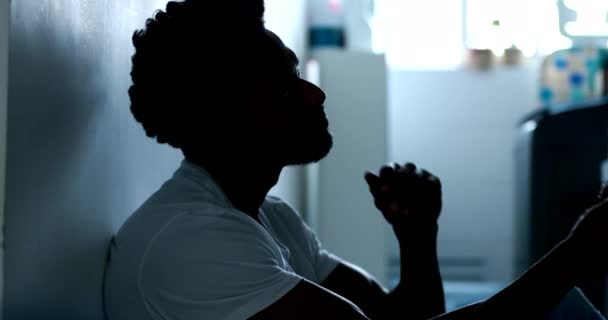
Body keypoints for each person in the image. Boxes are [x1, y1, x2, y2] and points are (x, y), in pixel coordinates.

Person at [103, 1, 608, 319]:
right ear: (222, 120)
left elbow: (400, 317)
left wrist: (417, 237)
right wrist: (578, 253)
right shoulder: (195, 243)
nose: (315, 94)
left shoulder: (269, 216)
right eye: (283, 88)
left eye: (297, 75)